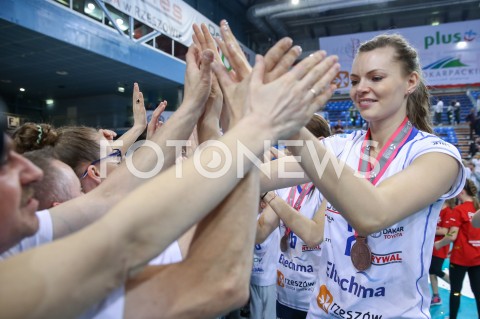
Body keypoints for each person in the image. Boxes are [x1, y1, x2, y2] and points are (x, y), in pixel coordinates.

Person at [0, 34, 341, 318]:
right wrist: (249, 125)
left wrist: (194, 105)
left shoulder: (19, 242)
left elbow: (112, 194)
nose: (30, 168)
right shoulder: (14, 292)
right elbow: (218, 280)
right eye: (5, 164)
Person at [245, 34, 465, 318]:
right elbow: (256, 177)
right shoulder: (339, 147)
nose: (361, 88)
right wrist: (227, 116)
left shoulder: (437, 156)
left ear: (410, 82)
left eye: (375, 78)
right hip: (324, 312)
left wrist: (289, 124)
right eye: (354, 81)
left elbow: (372, 214)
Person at [255, 114, 331, 319]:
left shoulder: (332, 185)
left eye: (293, 143)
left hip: (319, 299)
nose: (287, 150)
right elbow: (261, 231)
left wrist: (268, 194)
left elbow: (314, 234)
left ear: (320, 143)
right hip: (285, 293)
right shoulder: (285, 184)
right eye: (286, 143)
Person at [434, 179, 480, 319]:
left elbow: (452, 235)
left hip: (460, 258)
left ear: (462, 191)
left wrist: (439, 244)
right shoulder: (477, 208)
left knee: (455, 291)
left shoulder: (459, 210)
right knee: (478, 292)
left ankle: (453, 317)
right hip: (477, 257)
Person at [429, 198, 455, 306]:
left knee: (436, 269)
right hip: (431, 245)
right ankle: (436, 296)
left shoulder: (448, 211)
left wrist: (430, 229)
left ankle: (455, 284)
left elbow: (445, 231)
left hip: (440, 246)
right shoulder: (436, 209)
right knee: (431, 271)